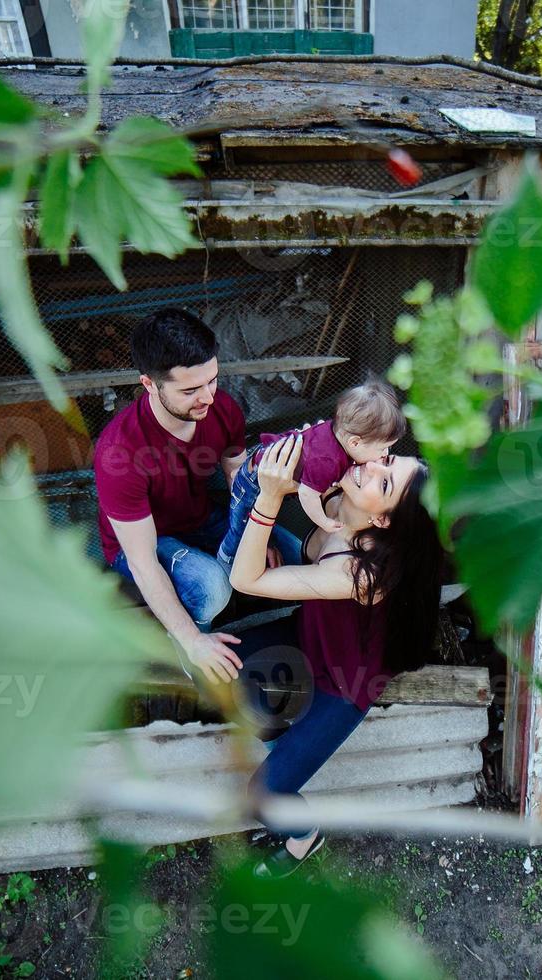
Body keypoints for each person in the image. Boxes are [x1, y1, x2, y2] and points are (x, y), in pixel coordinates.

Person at [226, 432, 444, 879]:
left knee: (264, 794)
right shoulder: (340, 488)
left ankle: (304, 836)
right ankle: (283, 740)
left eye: (385, 484)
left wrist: (267, 502)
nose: (373, 467)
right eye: (390, 460)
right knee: (221, 668)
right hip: (309, 635)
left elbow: (245, 580)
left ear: (382, 522)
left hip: (343, 684)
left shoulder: (361, 574)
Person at [94, 308, 303, 681]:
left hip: (201, 518)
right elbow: (142, 562)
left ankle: (313, 643)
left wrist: (260, 532)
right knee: (211, 588)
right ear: (149, 384)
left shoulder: (221, 409)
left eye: (213, 380)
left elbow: (239, 477)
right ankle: (195, 654)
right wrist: (191, 640)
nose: (207, 397)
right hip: (144, 541)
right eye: (190, 390)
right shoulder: (119, 453)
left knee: (296, 554)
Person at [215, 380, 406, 569]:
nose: (384, 455)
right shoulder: (328, 461)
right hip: (253, 483)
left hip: (262, 459)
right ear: (354, 443)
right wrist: (323, 521)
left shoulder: (338, 433)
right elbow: (307, 494)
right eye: (383, 448)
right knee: (240, 527)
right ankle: (226, 558)